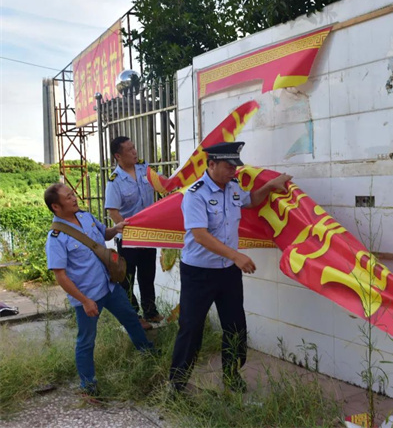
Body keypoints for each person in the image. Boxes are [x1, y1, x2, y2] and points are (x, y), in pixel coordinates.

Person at [169, 141, 292, 393]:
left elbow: (250, 201)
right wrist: (236, 256)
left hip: (227, 273)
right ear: (211, 164)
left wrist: (269, 186)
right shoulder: (195, 194)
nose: (233, 171)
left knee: (235, 327)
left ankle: (232, 376)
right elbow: (200, 235)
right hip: (199, 273)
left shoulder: (232, 187)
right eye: (228, 166)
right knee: (191, 328)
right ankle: (178, 383)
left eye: (235, 166)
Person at [44, 183, 154, 397]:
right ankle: (88, 386)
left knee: (131, 318)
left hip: (109, 285)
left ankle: (147, 352)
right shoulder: (56, 237)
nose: (74, 198)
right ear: (56, 207)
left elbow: (104, 234)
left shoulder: (85, 217)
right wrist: (84, 301)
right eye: (68, 197)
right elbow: (60, 276)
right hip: (87, 296)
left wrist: (117, 228)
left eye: (73, 194)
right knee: (86, 340)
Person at [105, 136, 162, 330]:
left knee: (148, 275)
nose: (135, 152)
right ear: (118, 156)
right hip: (129, 238)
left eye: (134, 147)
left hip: (148, 235)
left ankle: (150, 311)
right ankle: (134, 314)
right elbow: (112, 211)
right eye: (129, 150)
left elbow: (162, 183)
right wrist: (128, 229)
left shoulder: (144, 169)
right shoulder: (115, 181)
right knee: (128, 278)